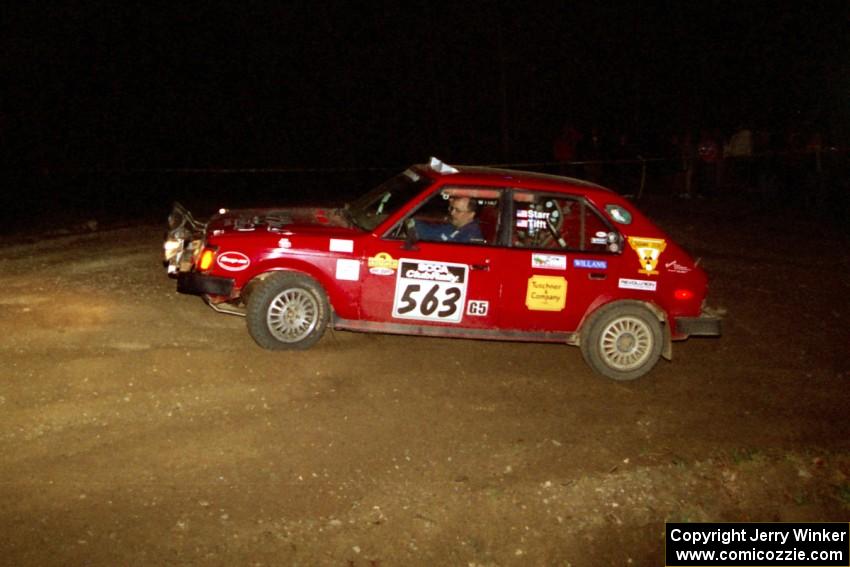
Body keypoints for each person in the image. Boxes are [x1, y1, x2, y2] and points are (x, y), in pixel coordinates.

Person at [412, 196, 484, 243]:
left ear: (471, 214)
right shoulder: (454, 225)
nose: (452, 213)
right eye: (452, 208)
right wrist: (412, 223)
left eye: (458, 211)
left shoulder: (470, 237)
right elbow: (433, 232)